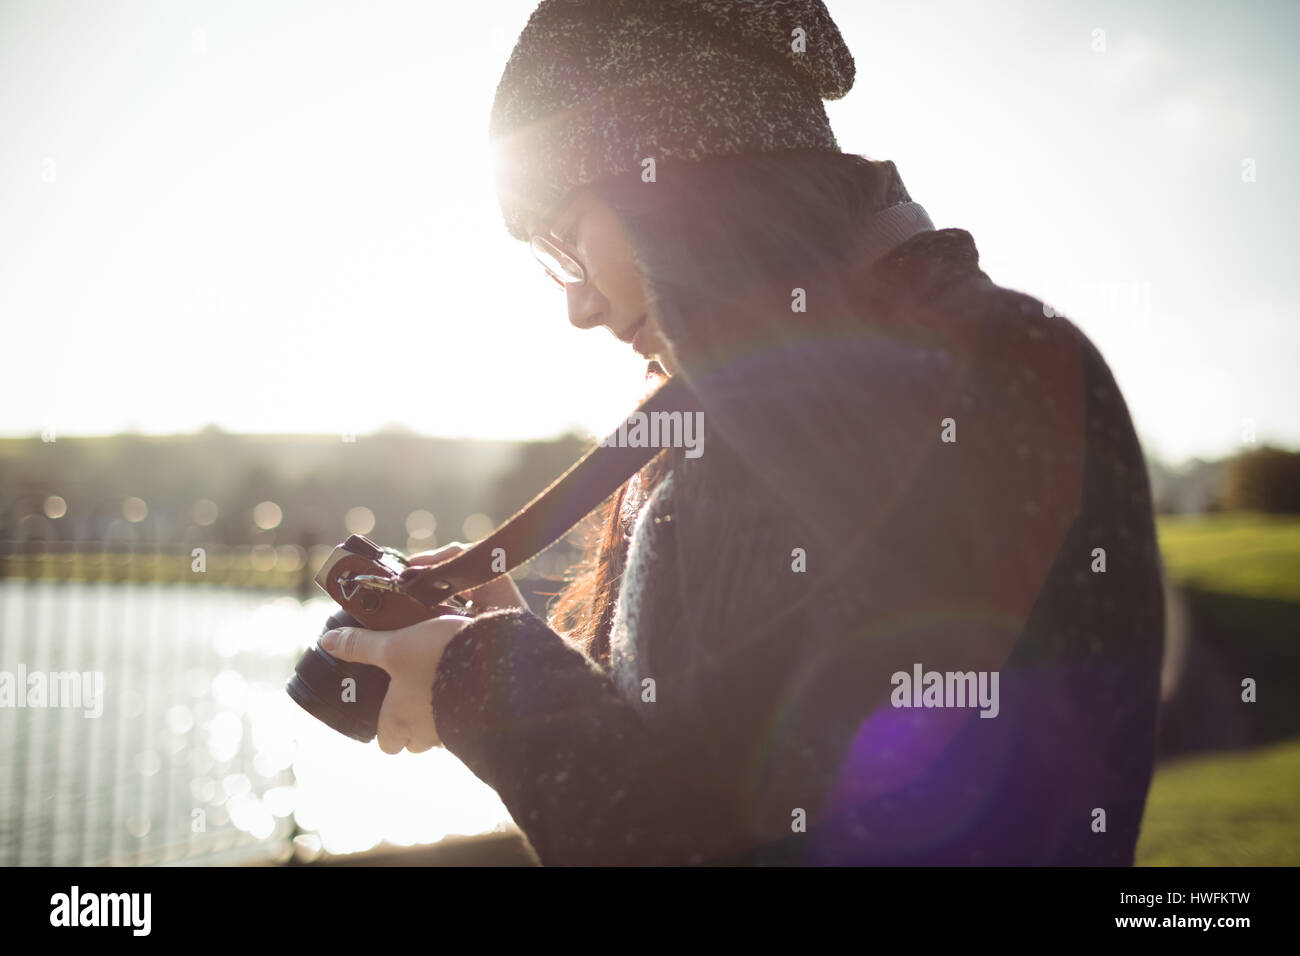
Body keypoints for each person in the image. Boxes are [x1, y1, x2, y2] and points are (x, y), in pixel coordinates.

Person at [319, 0, 1165, 865]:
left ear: (674, 183)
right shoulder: (728, 414)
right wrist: (514, 662)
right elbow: (708, 767)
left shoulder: (990, 374)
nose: (576, 307)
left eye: (567, 243)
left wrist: (480, 685)